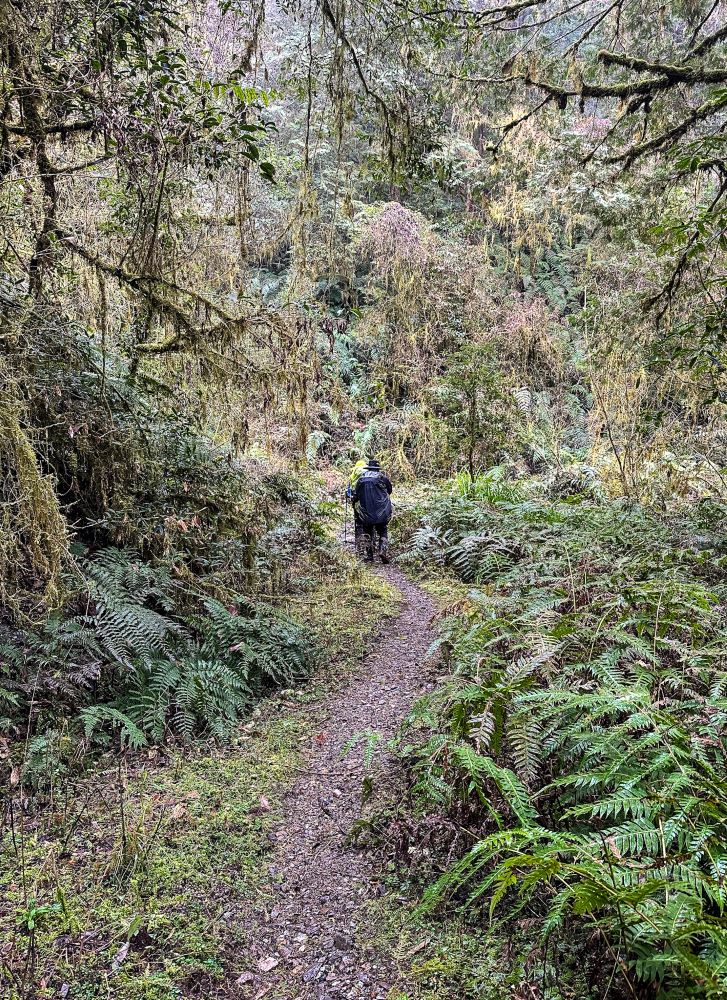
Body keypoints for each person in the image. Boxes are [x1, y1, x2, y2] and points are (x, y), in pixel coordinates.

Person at [349, 458, 393, 563]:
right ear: (377, 469)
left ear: (368, 468)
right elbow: (389, 490)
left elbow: (356, 495)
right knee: (383, 530)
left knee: (367, 530)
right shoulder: (382, 478)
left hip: (366, 512)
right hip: (381, 512)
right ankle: (382, 550)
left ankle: (369, 556)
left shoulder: (361, 479)